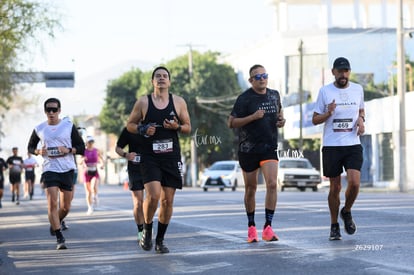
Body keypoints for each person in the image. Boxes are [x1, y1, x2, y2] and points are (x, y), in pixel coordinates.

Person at [127, 66, 191, 253]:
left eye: (165, 76)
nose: (161, 79)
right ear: (153, 81)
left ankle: (160, 240)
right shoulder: (143, 102)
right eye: (158, 76)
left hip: (171, 156)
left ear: (169, 82)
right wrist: (142, 129)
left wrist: (176, 126)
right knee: (154, 195)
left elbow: (188, 127)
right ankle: (147, 229)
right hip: (150, 156)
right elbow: (130, 125)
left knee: (167, 201)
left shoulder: (178, 102)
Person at [228, 64, 286, 243]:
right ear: (251, 80)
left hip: (268, 147)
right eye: (258, 77)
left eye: (264, 75)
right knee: (251, 188)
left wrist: (281, 120)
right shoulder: (244, 99)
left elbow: (279, 113)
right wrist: (252, 117)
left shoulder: (274, 94)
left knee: (271, 184)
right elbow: (231, 123)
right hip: (248, 149)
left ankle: (268, 228)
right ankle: (251, 227)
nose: (262, 79)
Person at [312, 57, 365, 241]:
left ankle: (347, 211)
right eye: (340, 71)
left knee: (355, 182)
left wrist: (361, 120)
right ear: (333, 72)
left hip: (352, 144)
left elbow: (361, 110)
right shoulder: (325, 91)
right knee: (335, 187)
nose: (343, 74)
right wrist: (328, 113)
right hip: (332, 146)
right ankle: (334, 225)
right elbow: (315, 119)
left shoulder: (358, 89)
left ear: (349, 72)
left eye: (346, 71)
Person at [27, 97, 85, 250]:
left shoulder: (68, 126)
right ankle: (59, 237)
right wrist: (38, 151)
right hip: (49, 169)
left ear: (59, 111)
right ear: (45, 111)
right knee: (52, 203)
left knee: (65, 207)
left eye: (54, 110)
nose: (51, 113)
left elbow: (81, 147)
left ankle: (55, 223)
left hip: (67, 169)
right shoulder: (39, 128)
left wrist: (68, 150)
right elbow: (30, 147)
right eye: (48, 110)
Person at [115, 127, 145, 243]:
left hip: (151, 168)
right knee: (138, 203)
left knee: (151, 200)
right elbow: (117, 148)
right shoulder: (129, 129)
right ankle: (141, 231)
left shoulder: (153, 125)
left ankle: (148, 227)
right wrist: (126, 155)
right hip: (135, 170)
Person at [81, 135, 103, 215]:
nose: (91, 143)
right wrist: (83, 160)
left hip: (94, 171)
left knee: (93, 186)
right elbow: (80, 162)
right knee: (88, 192)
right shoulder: (84, 151)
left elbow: (101, 158)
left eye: (92, 142)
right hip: (86, 173)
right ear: (86, 143)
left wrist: (102, 164)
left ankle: (95, 195)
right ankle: (90, 207)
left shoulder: (96, 150)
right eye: (89, 142)